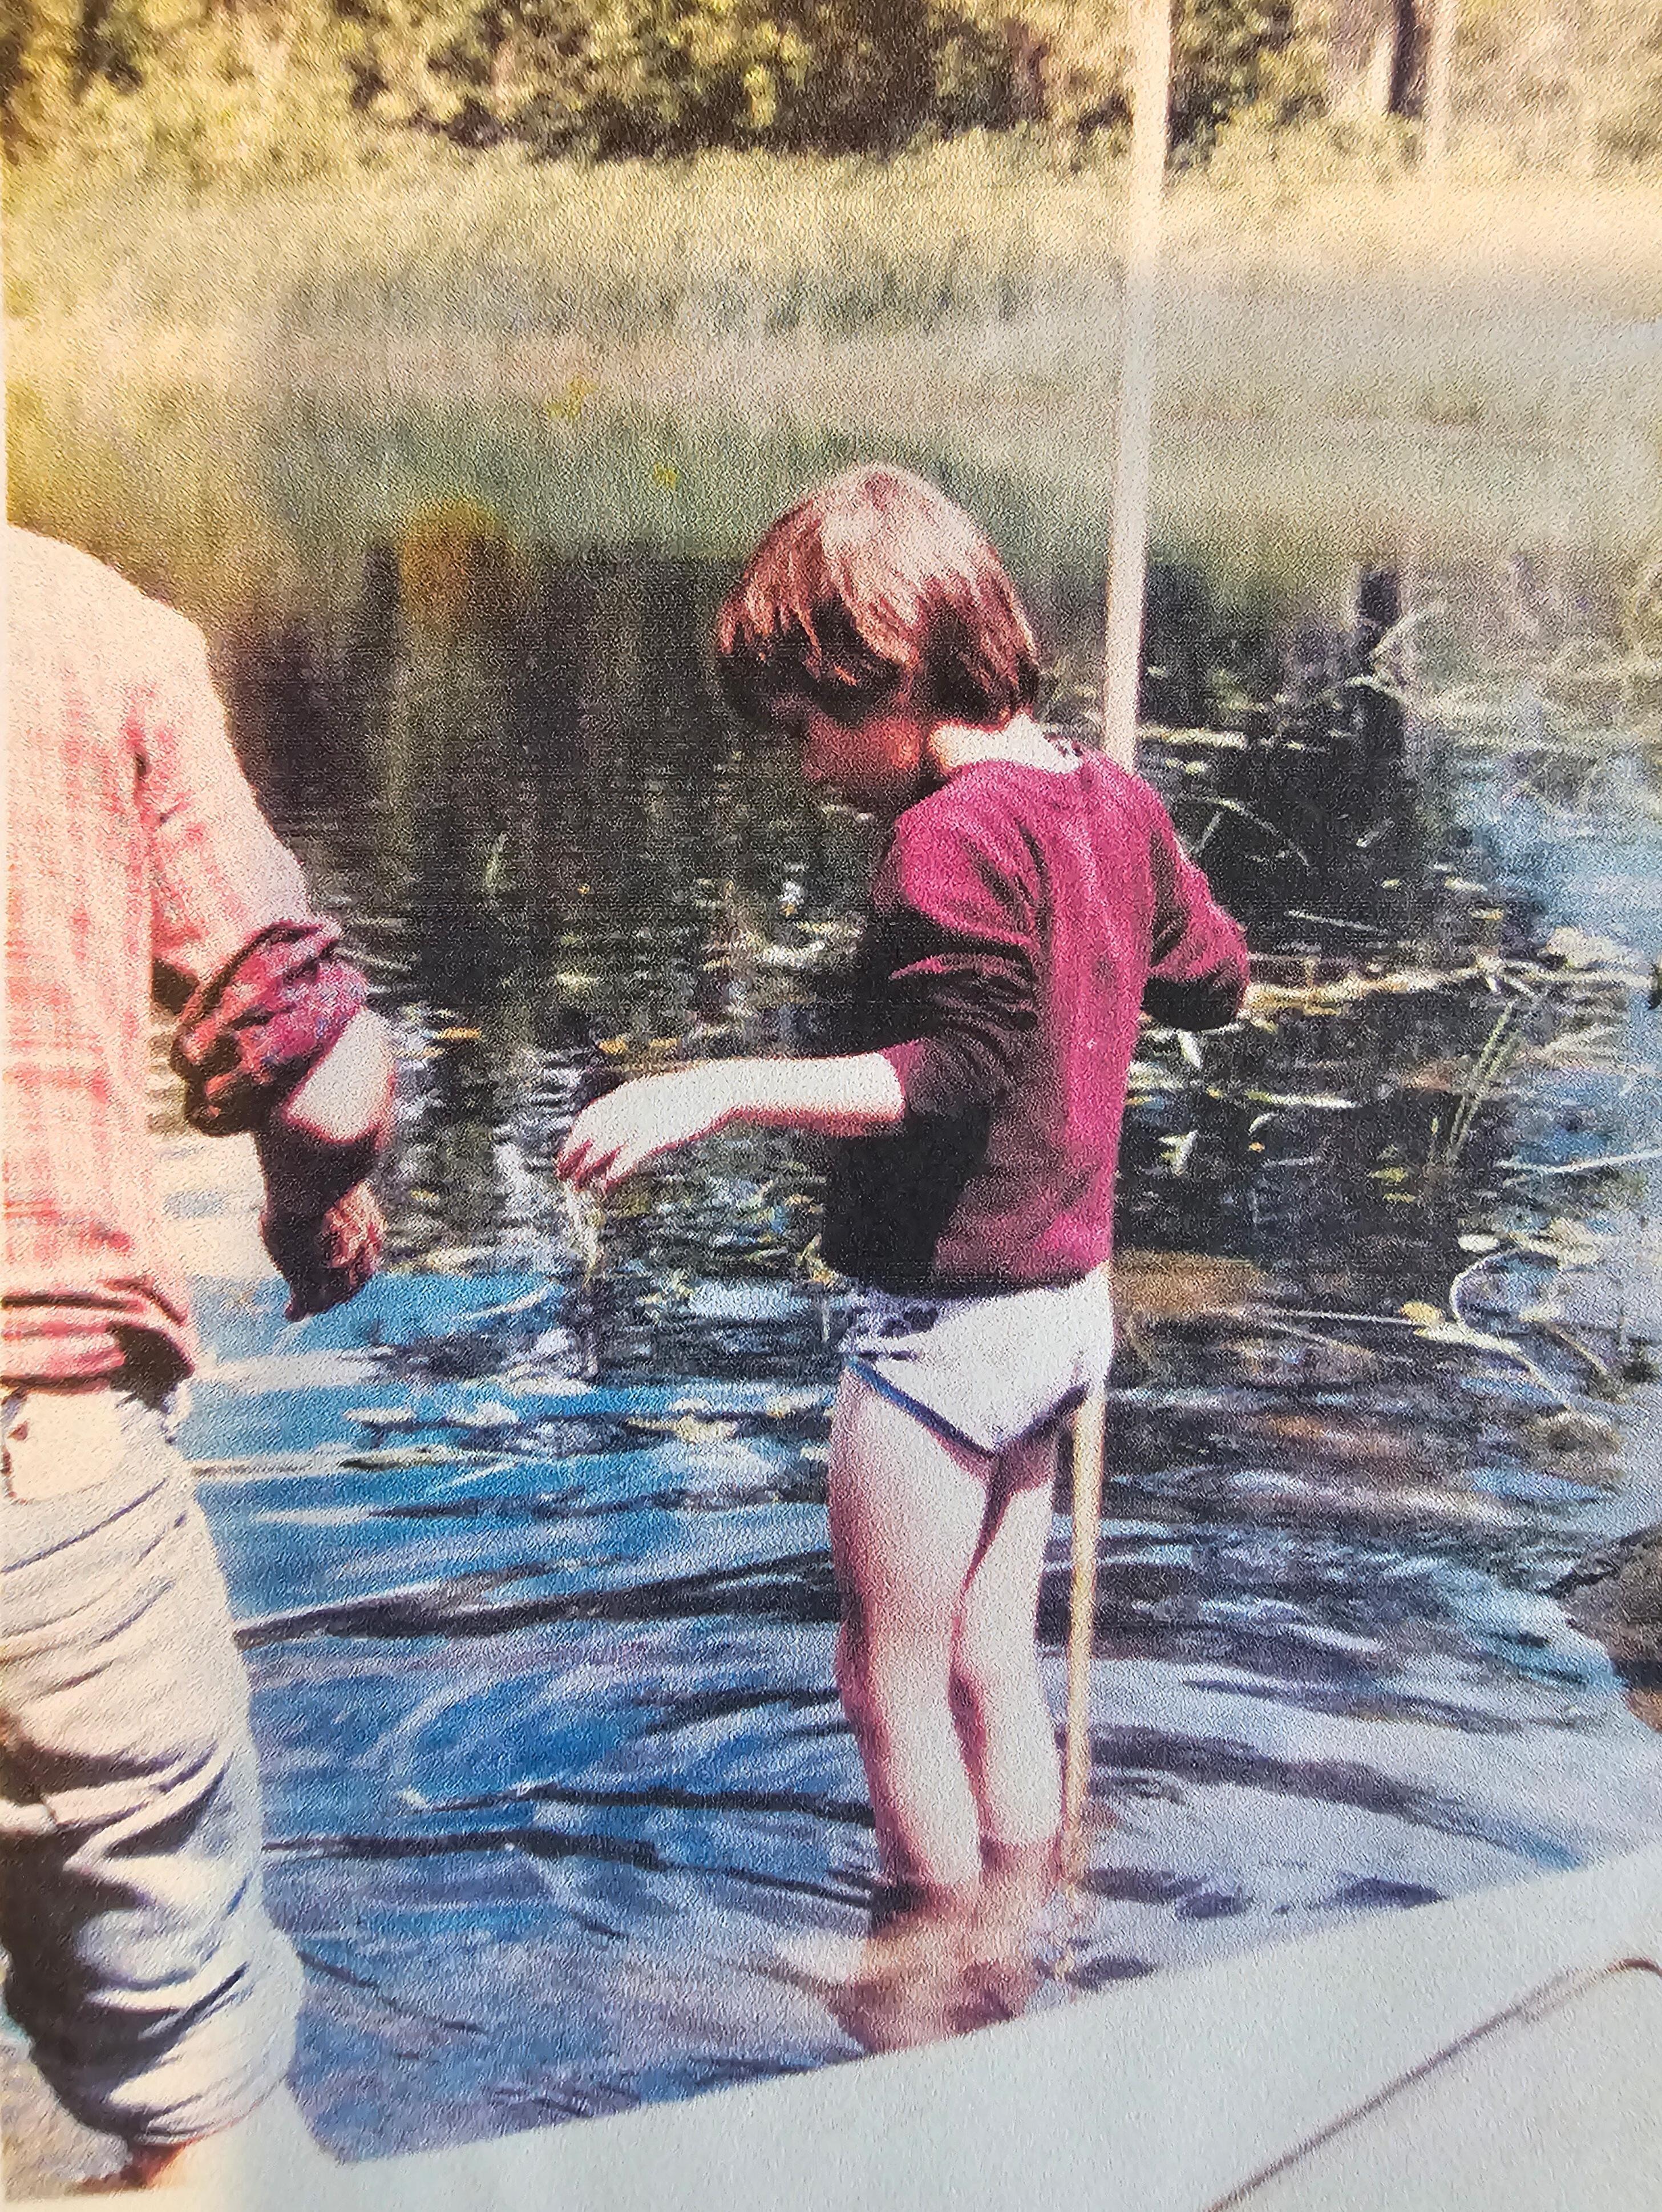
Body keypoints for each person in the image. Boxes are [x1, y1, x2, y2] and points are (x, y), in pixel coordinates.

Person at [559, 466, 1248, 1900]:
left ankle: (926, 1971)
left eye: (805, 726)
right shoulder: (1107, 802)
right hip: (1061, 1310)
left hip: (948, 1333)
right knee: (989, 1660)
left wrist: (713, 1088)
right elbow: (1214, 982)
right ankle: (1029, 1920)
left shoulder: (946, 838)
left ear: (884, 673)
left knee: (885, 1684)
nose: (806, 766)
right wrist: (1126, 879)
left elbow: (950, 1070)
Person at [2, 526, 395, 2187]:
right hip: (46, 1482)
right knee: (213, 2137)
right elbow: (331, 1079)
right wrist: (309, 1219)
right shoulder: (90, 632)